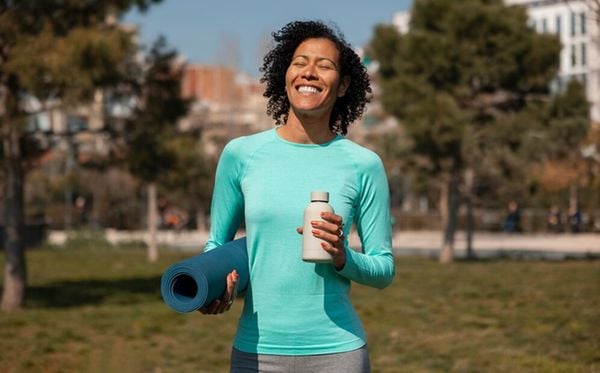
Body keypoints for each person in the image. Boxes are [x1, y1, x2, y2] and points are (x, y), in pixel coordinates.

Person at [200, 20, 395, 373]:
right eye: (299, 62)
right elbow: (217, 245)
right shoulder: (240, 155)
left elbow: (383, 269)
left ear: (343, 85)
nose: (310, 72)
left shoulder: (364, 164)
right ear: (284, 75)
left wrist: (341, 257)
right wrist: (216, 287)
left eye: (325, 66)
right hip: (255, 353)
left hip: (338, 354)